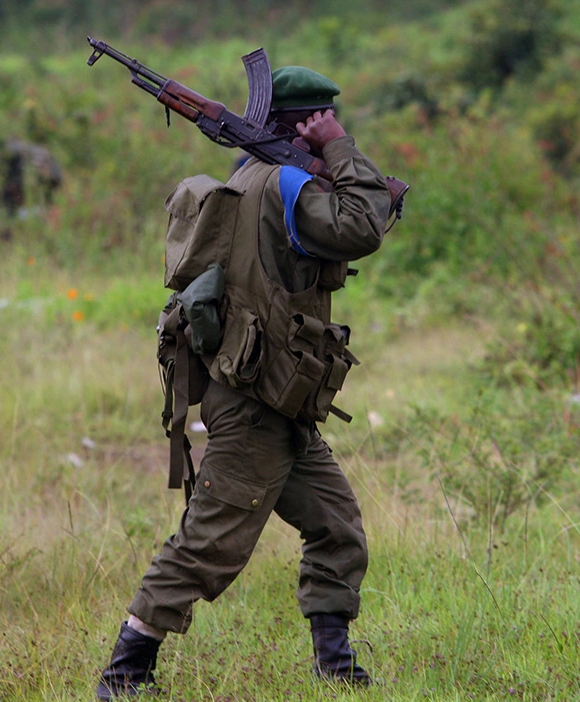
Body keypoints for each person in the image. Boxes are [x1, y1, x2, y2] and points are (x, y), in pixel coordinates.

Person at [94, 65, 394, 699]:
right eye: (325, 120)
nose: (336, 132)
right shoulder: (286, 182)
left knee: (335, 525)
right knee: (212, 539)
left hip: (277, 394)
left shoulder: (255, 176)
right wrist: (339, 145)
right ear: (307, 124)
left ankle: (336, 668)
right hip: (257, 400)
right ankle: (125, 673)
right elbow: (359, 227)